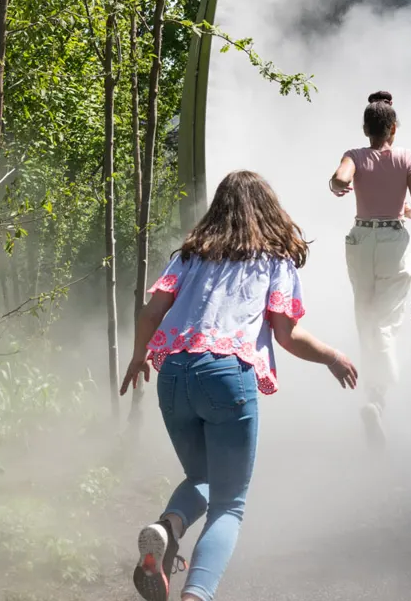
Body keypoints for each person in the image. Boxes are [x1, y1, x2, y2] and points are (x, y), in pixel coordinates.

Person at [121, 170, 359, 601]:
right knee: (229, 503)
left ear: (218, 210)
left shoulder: (191, 256)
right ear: (268, 211)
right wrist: (333, 356)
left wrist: (139, 356)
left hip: (173, 373)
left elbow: (149, 313)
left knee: (203, 476)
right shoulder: (273, 260)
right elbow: (287, 336)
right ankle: (196, 595)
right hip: (226, 374)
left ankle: (167, 527)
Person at [328, 90, 411, 445]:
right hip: (391, 240)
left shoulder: (354, 155)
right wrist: (407, 214)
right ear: (393, 129)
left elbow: (340, 179)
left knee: (365, 317)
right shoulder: (405, 157)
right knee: (385, 323)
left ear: (365, 129)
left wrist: (339, 185)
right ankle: (378, 395)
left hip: (361, 238)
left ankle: (373, 396)